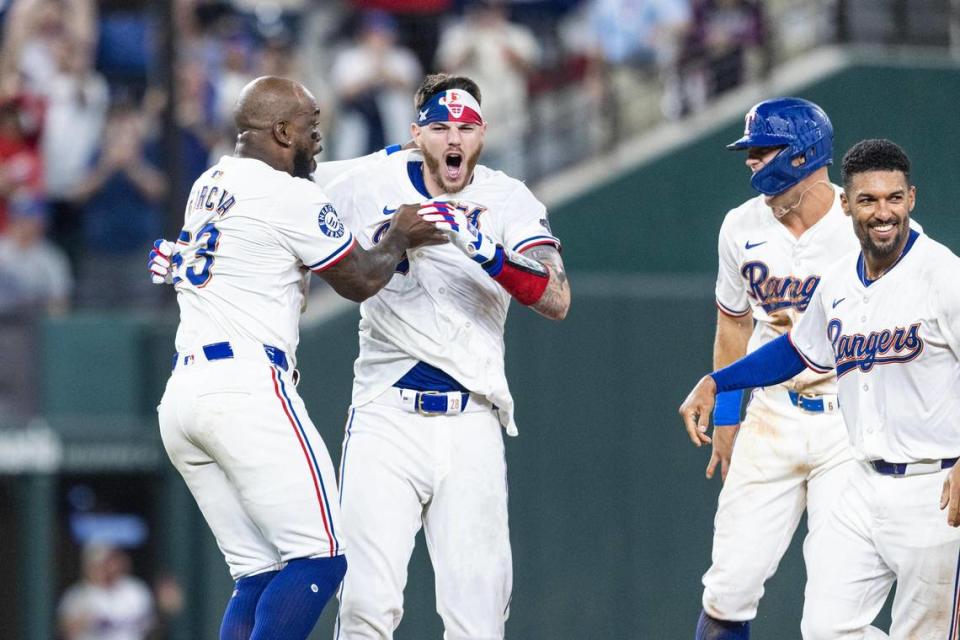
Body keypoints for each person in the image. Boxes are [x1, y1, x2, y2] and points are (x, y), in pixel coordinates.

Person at [155, 75, 446, 640]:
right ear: (282, 131)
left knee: (258, 574)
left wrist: (392, 155)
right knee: (321, 557)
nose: (318, 138)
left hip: (184, 396)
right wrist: (400, 235)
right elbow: (359, 279)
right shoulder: (290, 196)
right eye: (312, 127)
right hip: (246, 390)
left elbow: (302, 200)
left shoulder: (209, 180)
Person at [680, 138, 960, 639]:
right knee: (826, 630)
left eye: (894, 198)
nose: (883, 212)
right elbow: (797, 351)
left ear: (912, 200)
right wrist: (719, 383)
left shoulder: (943, 275)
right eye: (869, 200)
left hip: (934, 486)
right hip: (864, 478)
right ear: (847, 204)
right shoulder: (839, 281)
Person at [323, 73, 571, 639]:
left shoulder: (507, 198)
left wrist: (490, 254)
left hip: (472, 417)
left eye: (465, 128)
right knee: (365, 604)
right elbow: (285, 185)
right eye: (439, 128)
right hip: (386, 412)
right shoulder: (370, 180)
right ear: (417, 136)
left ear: (482, 137)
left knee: (477, 617)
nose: (452, 139)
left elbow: (557, 298)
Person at [692, 97, 856, 640]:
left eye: (762, 151)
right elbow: (734, 325)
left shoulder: (864, 223)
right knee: (727, 590)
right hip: (773, 412)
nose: (751, 162)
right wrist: (728, 416)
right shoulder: (740, 227)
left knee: (833, 616)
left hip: (848, 422)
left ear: (803, 154)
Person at [58, 544, 154, 640]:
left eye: (111, 561)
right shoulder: (78, 595)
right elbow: (65, 632)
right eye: (98, 564)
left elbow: (150, 628)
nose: (108, 567)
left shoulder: (135, 590)